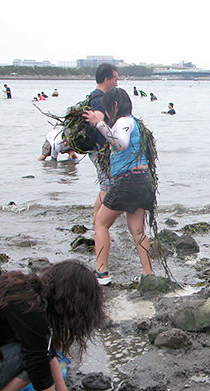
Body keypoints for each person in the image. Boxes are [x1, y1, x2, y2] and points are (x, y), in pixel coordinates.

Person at [0, 260, 106, 391]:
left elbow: (45, 345)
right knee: (33, 357)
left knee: (36, 350)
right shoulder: (30, 310)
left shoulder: (24, 290)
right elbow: (38, 362)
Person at [84, 88, 155, 285]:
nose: (106, 112)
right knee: (138, 230)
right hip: (143, 180)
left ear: (114, 105)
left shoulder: (123, 121)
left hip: (127, 181)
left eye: (107, 108)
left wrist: (99, 124)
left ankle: (102, 273)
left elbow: (121, 144)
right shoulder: (135, 123)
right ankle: (148, 274)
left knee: (101, 223)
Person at [88, 64, 119, 227]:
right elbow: (96, 120)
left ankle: (98, 221)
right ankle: (97, 222)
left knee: (106, 185)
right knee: (106, 187)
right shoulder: (100, 100)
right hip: (100, 150)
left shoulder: (93, 96)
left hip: (97, 149)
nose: (116, 84)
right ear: (106, 80)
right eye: (115, 79)